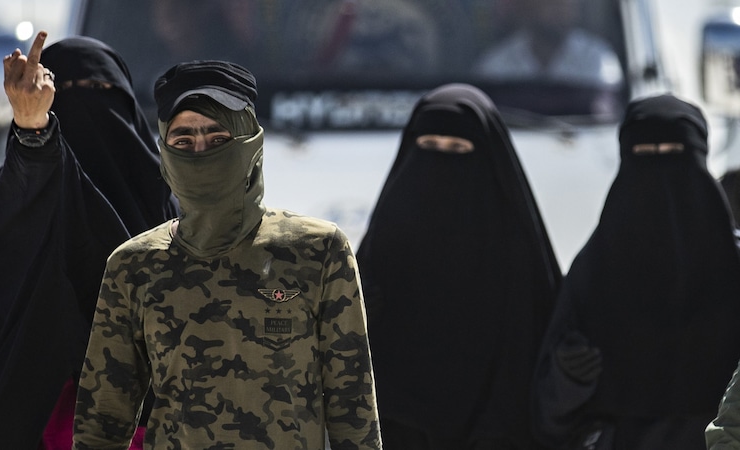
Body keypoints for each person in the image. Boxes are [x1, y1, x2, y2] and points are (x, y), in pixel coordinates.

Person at [72, 59, 382, 449]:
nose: (200, 153)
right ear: (165, 154)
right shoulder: (134, 266)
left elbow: (353, 410)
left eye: (218, 139)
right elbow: (102, 421)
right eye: (183, 141)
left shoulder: (318, 252)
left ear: (250, 143)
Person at [0, 32, 178, 450]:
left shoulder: (169, 209)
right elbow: (30, 179)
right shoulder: (27, 197)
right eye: (72, 93)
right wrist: (33, 127)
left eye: (103, 92)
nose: (92, 106)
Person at [355, 83, 561, 449]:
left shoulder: (518, 259)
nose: (441, 163)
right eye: (429, 147)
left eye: (458, 149)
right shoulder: (384, 247)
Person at [533, 94, 740, 449]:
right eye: (645, 154)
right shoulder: (593, 273)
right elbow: (547, 416)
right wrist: (568, 378)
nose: (660, 174)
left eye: (674, 153)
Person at [474, 0, 623, 88]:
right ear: (530, 7)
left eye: (566, 3)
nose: (561, 10)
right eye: (552, 3)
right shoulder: (496, 66)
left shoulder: (597, 58)